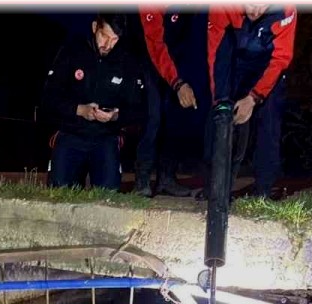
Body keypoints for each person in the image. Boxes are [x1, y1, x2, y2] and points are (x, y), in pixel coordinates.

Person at [41, 14, 145, 191]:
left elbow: (139, 109)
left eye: (114, 40)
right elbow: (49, 98)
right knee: (58, 192)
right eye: (104, 36)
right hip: (71, 132)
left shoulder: (127, 61)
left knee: (108, 196)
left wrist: (115, 116)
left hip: (106, 137)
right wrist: (79, 110)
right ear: (94, 27)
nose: (108, 45)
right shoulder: (72, 51)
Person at [204, 5, 297, 199]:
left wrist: (254, 97)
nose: (254, 12)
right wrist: (219, 98)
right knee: (220, 117)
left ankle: (263, 188)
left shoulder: (286, 9)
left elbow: (281, 58)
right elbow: (215, 53)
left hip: (268, 61)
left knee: (269, 122)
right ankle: (216, 186)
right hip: (236, 58)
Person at [134, 7, 206, 197]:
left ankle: (166, 178)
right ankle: (142, 179)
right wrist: (177, 82)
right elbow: (155, 45)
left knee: (175, 116)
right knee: (153, 117)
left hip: (176, 62)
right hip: (148, 60)